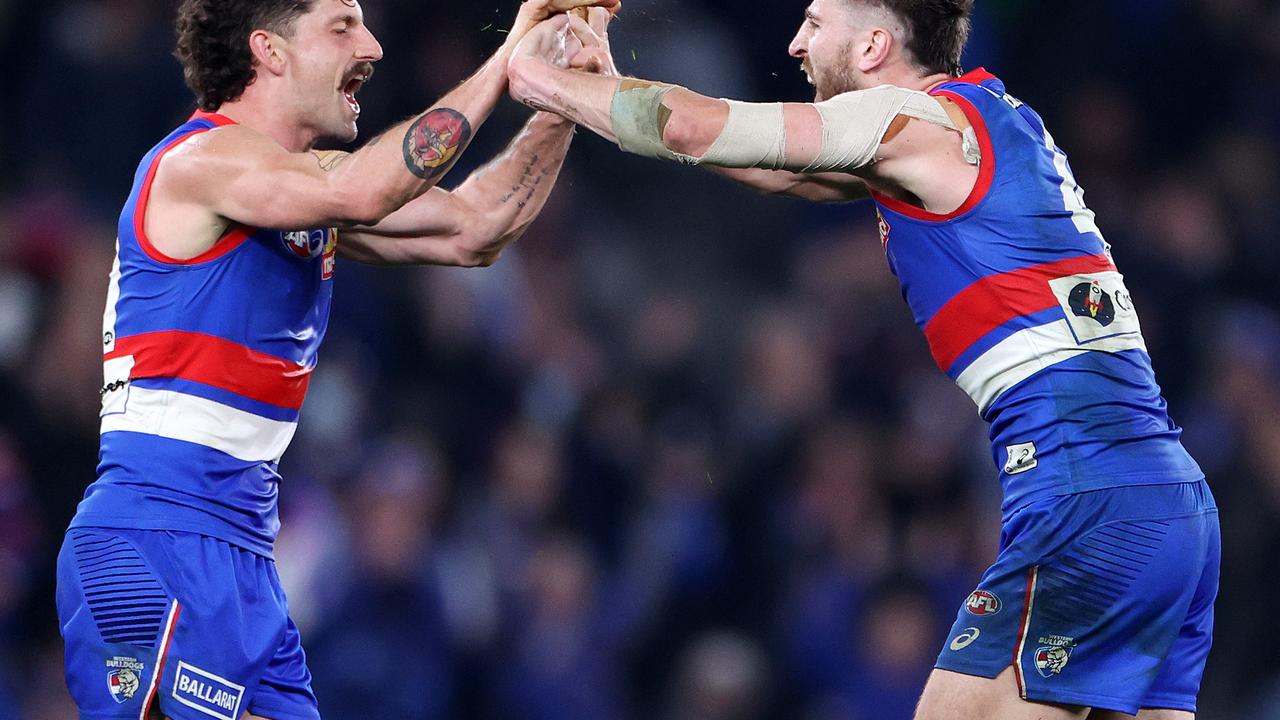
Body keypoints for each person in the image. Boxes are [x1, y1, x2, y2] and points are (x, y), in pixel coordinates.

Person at [506, 2, 1219, 719]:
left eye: (815, 23)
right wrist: (602, 79)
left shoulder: (910, 120)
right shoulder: (991, 119)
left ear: (875, 43)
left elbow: (695, 123)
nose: (794, 43)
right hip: (1170, 501)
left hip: (1084, 493)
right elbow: (759, 162)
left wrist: (534, 75)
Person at [54, 0, 617, 717]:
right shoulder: (198, 161)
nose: (374, 45)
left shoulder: (301, 193)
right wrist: (509, 60)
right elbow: (363, 187)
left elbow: (479, 227)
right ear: (271, 50)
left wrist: (559, 93)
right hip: (157, 540)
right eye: (343, 25)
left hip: (245, 565)